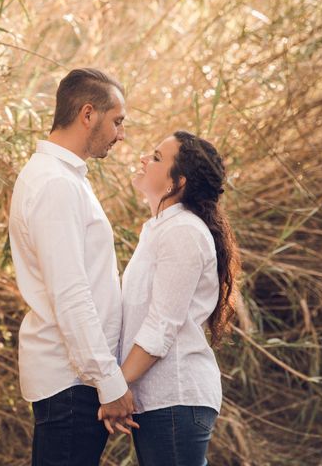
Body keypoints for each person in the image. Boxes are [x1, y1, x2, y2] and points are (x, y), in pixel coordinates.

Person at [8, 68, 138, 466]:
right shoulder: (56, 185)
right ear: (87, 114)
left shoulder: (64, 179)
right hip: (72, 382)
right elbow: (70, 293)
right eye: (117, 121)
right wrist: (107, 380)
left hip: (75, 380)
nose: (120, 135)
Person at [99, 131, 240, 465]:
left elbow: (161, 326)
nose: (144, 159)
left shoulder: (183, 232)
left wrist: (115, 386)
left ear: (178, 182)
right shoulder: (160, 230)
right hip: (159, 402)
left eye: (157, 157)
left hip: (176, 398)